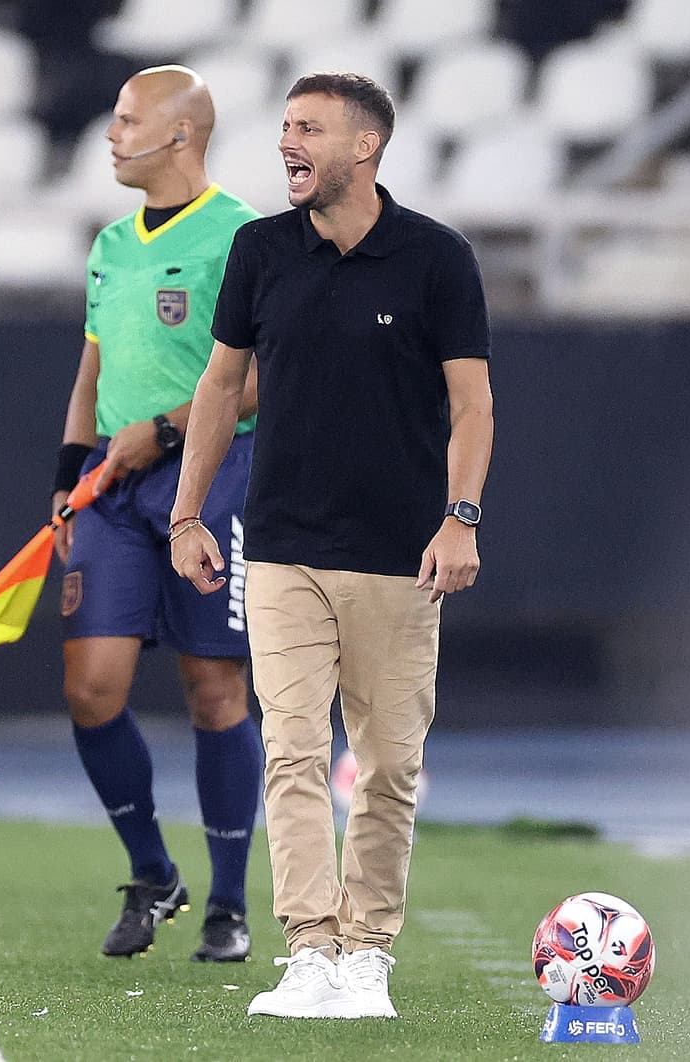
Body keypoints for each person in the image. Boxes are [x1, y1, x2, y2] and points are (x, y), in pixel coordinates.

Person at [170, 72, 494, 1016]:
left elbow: (471, 401)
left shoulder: (437, 259)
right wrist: (189, 516)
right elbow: (222, 390)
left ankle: (368, 955)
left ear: (366, 146)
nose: (286, 144)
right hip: (280, 550)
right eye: (283, 128)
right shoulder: (259, 250)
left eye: (307, 128)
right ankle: (311, 949)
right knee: (293, 753)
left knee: (390, 765)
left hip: (401, 556)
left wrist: (461, 517)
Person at [52, 65, 263, 964]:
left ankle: (227, 901)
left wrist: (168, 432)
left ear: (180, 135)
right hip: (112, 481)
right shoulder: (107, 244)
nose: (111, 133)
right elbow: (93, 372)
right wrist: (70, 473)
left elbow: (264, 378)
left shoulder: (243, 237)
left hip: (213, 478)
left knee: (215, 691)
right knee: (90, 688)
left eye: (127, 120)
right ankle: (153, 873)